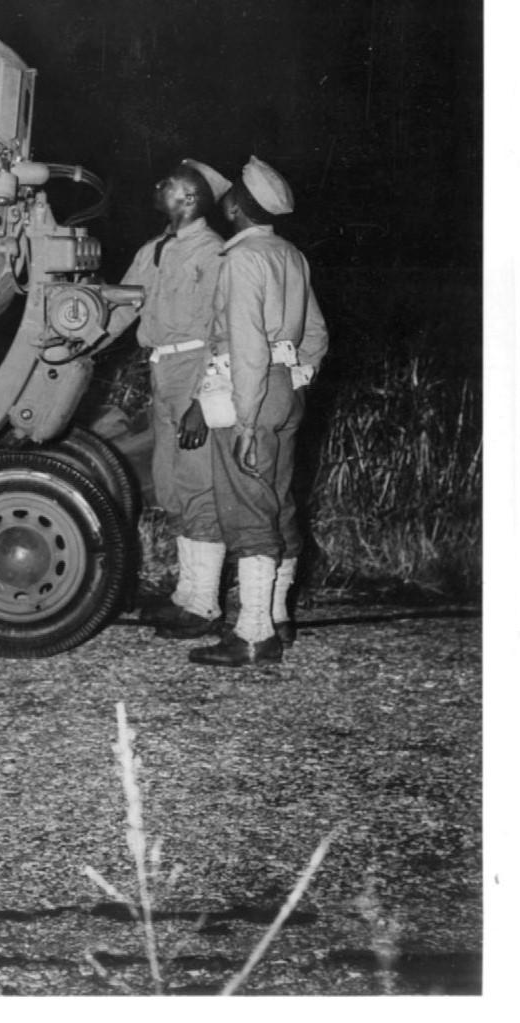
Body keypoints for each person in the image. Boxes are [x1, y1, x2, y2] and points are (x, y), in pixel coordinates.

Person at [187, 156, 329, 668]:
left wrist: (247, 419)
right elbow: (315, 334)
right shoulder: (290, 255)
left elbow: (246, 343)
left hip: (246, 391)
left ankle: (252, 634)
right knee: (278, 502)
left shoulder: (243, 260)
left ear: (237, 205)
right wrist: (296, 376)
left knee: (247, 509)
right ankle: (278, 617)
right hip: (284, 389)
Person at [117, 159, 231, 639]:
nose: (158, 186)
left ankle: (204, 604)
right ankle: (187, 594)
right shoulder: (153, 251)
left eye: (168, 183)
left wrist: (204, 399)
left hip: (195, 369)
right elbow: (121, 305)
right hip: (162, 368)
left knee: (199, 482)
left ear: (189, 198)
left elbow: (226, 331)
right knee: (171, 483)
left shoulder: (216, 254)